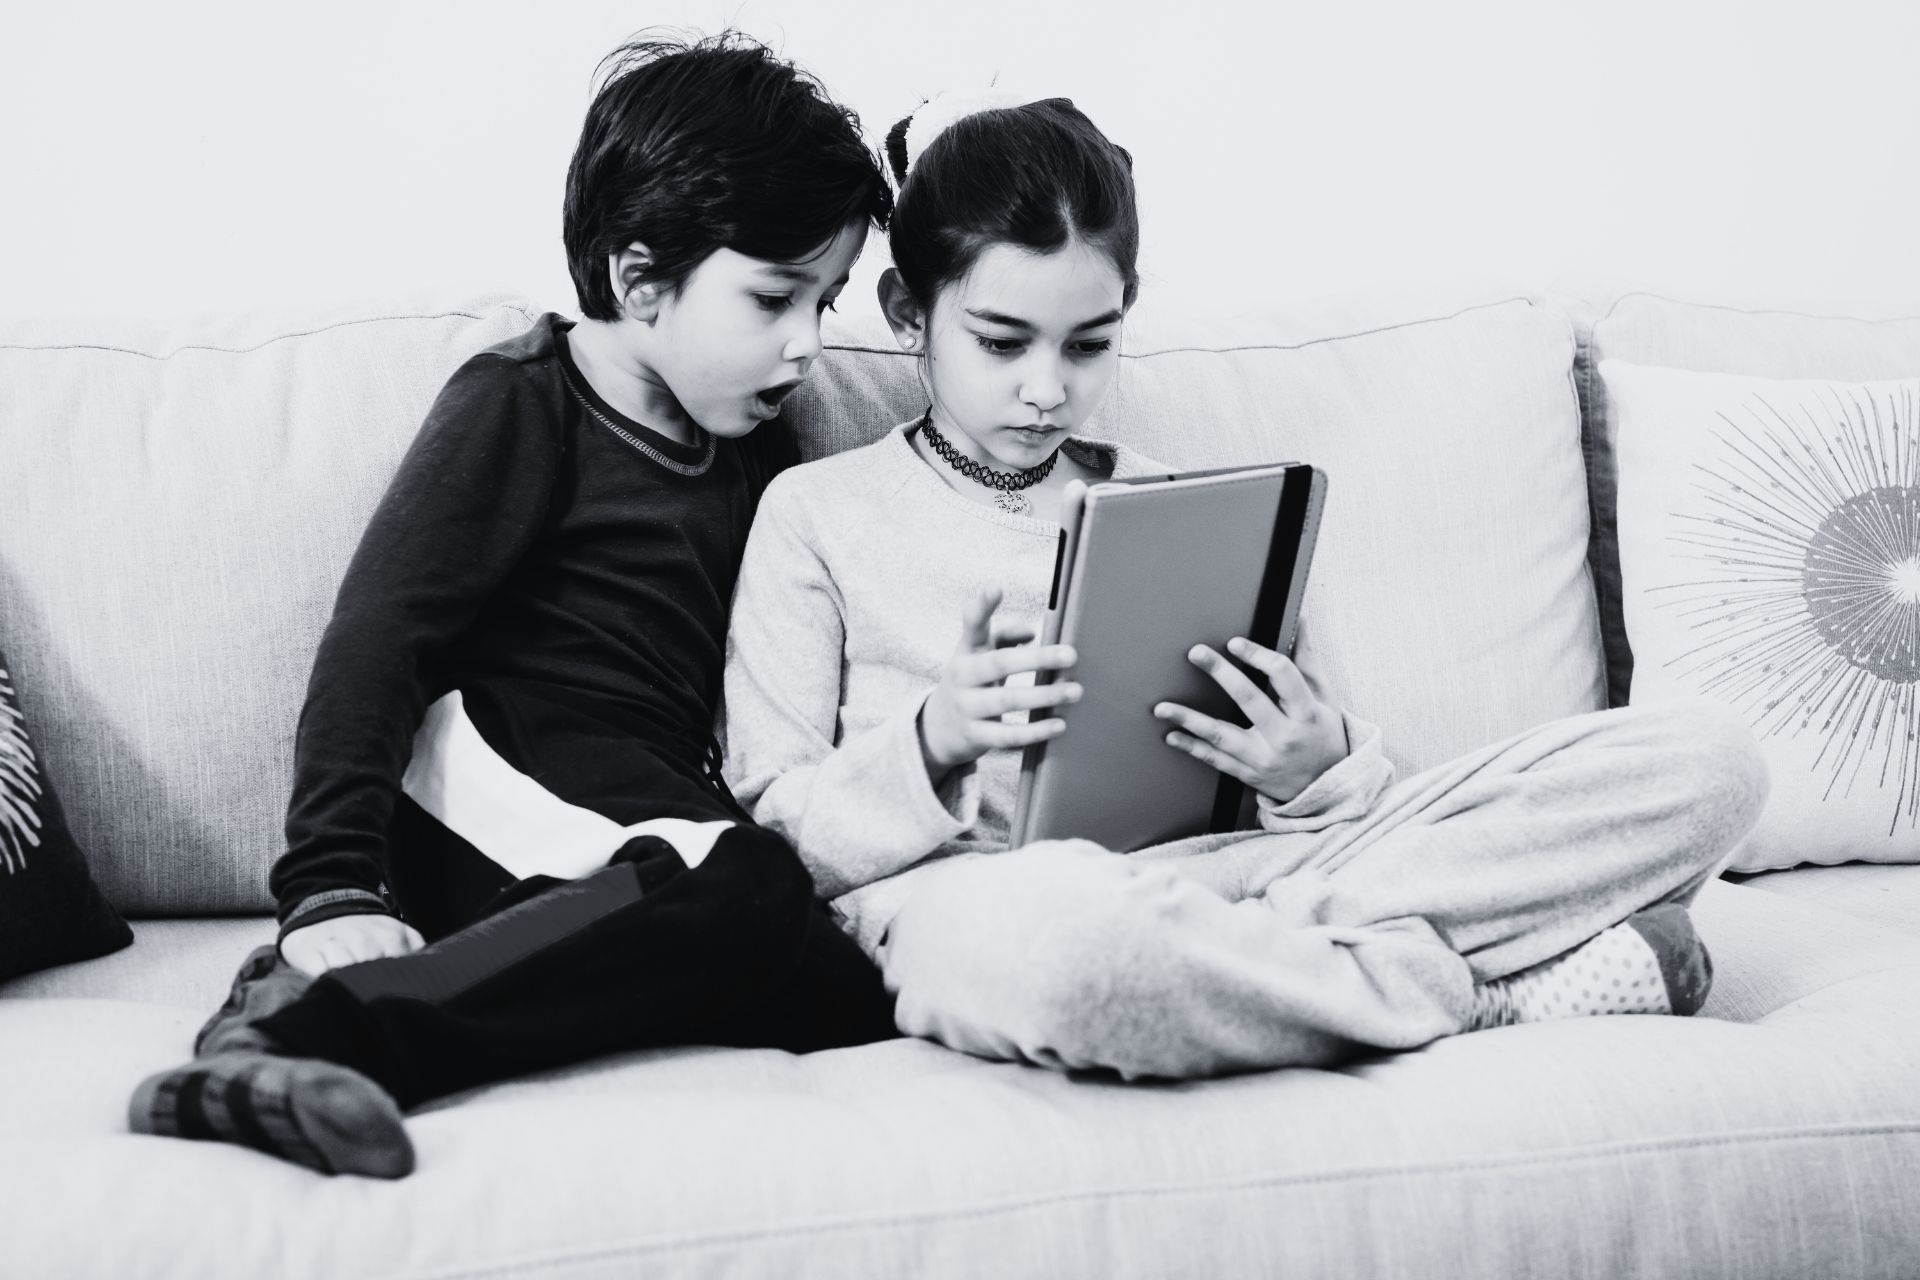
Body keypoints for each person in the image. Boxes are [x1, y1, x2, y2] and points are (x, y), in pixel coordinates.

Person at [721, 92, 1770, 1080]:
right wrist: (934, 741)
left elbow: (1329, 797)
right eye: (1002, 343)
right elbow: (775, 840)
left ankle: (1286, 970)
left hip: (1250, 878)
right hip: (987, 903)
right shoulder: (815, 514)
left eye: (1089, 344)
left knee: (1710, 763)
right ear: (908, 313)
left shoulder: (1178, 508)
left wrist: (1318, 766)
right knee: (1055, 952)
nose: (1048, 388)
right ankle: (1475, 994)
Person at [127, 32, 901, 1179]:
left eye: (825, 302)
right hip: (491, 765)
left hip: (633, 801)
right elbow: (379, 637)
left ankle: (416, 983)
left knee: (840, 992)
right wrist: (331, 881)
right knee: (745, 881)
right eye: (775, 298)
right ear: (639, 279)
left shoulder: (756, 443)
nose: (809, 345)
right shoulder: (527, 402)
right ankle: (310, 1027)